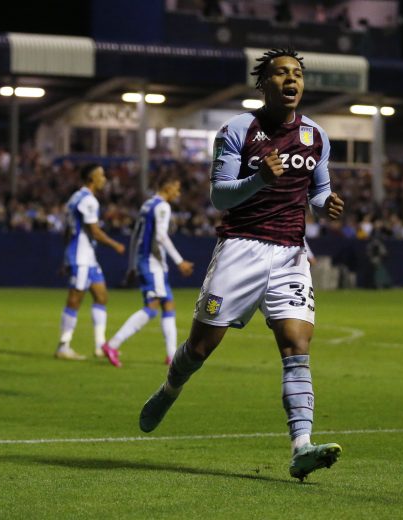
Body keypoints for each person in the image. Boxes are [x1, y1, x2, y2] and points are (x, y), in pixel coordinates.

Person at [138, 48, 345, 481]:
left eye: (297, 73)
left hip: (291, 254)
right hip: (240, 248)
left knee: (296, 346)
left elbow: (319, 191)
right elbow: (220, 196)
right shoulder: (237, 130)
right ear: (264, 83)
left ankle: (302, 447)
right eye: (281, 73)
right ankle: (170, 388)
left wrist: (327, 204)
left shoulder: (316, 136)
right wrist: (260, 178)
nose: (292, 80)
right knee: (200, 348)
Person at [101, 177, 194, 367]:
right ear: (167, 187)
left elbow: (135, 236)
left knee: (168, 305)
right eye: (176, 188)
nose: (178, 193)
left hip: (151, 262)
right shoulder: (163, 206)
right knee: (152, 308)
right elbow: (160, 236)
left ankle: (172, 356)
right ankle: (112, 345)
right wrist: (180, 261)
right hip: (152, 263)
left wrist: (132, 266)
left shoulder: (147, 205)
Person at [55, 164, 125, 360]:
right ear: (91, 178)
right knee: (75, 299)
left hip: (87, 257)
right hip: (81, 257)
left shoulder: (75, 197)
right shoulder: (89, 200)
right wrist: (115, 245)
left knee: (101, 296)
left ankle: (100, 345)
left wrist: (65, 256)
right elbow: (94, 231)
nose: (104, 179)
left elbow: (68, 230)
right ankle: (63, 346)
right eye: (101, 175)